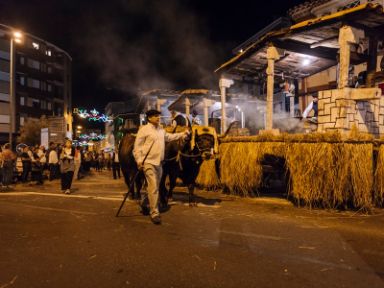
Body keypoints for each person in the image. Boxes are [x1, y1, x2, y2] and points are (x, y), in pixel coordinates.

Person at [133, 109, 189, 225]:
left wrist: (182, 134)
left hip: (159, 162)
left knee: (155, 187)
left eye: (158, 116)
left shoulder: (160, 130)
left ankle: (144, 202)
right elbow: (137, 147)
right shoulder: (144, 130)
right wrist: (138, 160)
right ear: (149, 118)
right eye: (155, 116)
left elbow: (169, 137)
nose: (158, 118)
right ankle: (154, 212)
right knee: (153, 187)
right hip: (147, 161)